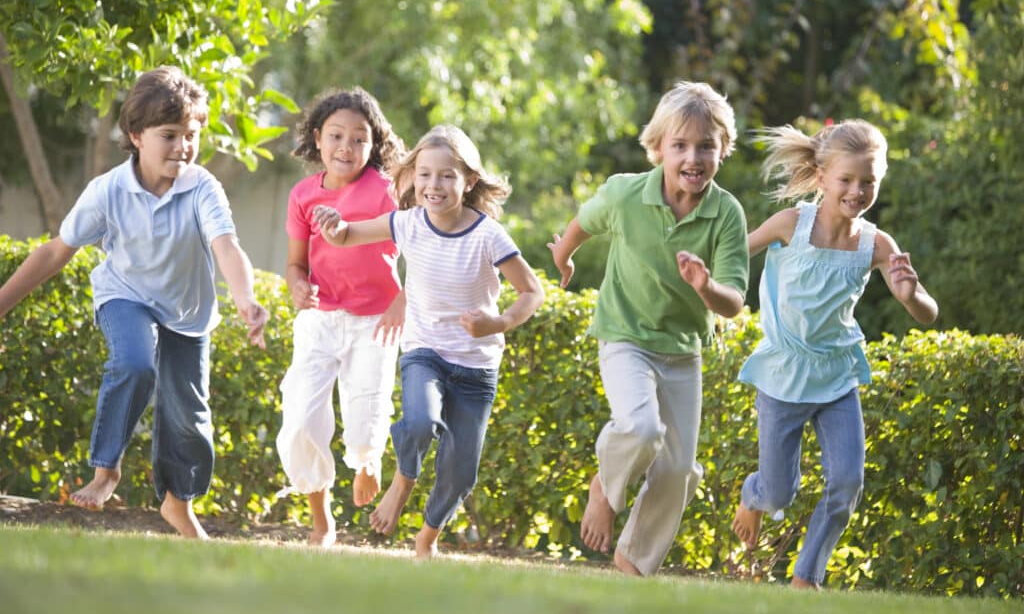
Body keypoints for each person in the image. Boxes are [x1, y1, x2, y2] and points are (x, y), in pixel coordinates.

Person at [0, 66, 268, 539]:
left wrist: (246, 300)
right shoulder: (107, 191)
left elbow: (227, 246)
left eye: (192, 135)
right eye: (170, 135)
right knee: (136, 363)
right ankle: (106, 472)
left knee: (190, 418)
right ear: (136, 134)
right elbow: (54, 252)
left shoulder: (202, 187)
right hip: (125, 297)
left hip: (187, 314)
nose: (183, 146)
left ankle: (177, 504)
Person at [311, 124, 545, 558]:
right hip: (426, 352)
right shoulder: (408, 223)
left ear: (469, 181)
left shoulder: (488, 235)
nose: (432, 185)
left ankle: (427, 539)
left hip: (476, 367)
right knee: (419, 421)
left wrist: (496, 324)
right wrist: (332, 225)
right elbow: (347, 234)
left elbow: (532, 291)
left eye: (446, 176)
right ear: (412, 177)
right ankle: (403, 479)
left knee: (461, 472)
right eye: (423, 174)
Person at [548, 81, 749, 576]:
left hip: (682, 351)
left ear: (723, 149)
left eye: (706, 145)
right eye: (680, 145)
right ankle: (605, 489)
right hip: (625, 338)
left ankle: (633, 564)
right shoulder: (625, 193)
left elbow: (734, 302)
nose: (693, 157)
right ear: (657, 148)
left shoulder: (727, 215)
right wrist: (562, 255)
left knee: (680, 470)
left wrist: (705, 287)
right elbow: (583, 222)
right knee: (640, 428)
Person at [731, 119, 938, 589]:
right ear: (822, 176)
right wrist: (704, 280)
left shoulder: (876, 244)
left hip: (837, 377)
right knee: (780, 490)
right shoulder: (791, 224)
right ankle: (754, 493)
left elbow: (928, 312)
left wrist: (909, 295)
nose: (858, 190)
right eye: (847, 179)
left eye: (869, 181)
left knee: (847, 482)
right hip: (784, 374)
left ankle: (807, 575)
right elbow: (736, 253)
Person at [274, 88, 406, 548]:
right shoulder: (303, 195)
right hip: (321, 317)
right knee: (302, 418)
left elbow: (425, 249)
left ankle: (368, 462)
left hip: (376, 321)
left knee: (366, 410)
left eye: (358, 139)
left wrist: (402, 301)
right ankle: (321, 520)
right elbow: (296, 264)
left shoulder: (388, 191)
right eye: (336, 136)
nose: (346, 148)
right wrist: (296, 285)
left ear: (374, 145)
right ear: (318, 138)